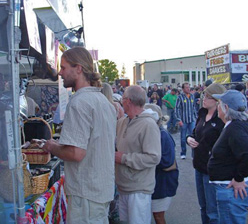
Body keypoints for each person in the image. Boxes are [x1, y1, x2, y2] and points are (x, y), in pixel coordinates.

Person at [42, 47, 116, 224]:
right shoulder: (104, 102)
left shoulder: (80, 102)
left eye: (64, 67)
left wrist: (52, 146)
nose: (60, 72)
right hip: (99, 190)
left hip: (86, 194)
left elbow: (76, 153)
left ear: (79, 69)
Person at [208, 90, 248, 224]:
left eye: (219, 104)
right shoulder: (242, 123)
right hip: (235, 187)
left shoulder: (235, 128)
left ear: (226, 108)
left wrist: (239, 177)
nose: (217, 106)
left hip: (233, 191)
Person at [115, 85, 161, 224]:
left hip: (138, 189)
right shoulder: (122, 121)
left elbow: (154, 157)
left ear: (128, 101)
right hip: (123, 186)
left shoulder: (148, 124)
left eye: (122, 99)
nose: (121, 102)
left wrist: (123, 158)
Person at [186, 83, 226, 224]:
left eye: (208, 97)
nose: (204, 99)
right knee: (203, 207)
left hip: (212, 171)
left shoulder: (221, 120)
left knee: (212, 211)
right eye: (204, 95)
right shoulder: (202, 114)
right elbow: (194, 133)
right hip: (199, 166)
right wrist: (189, 139)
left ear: (217, 100)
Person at [144, 103, 179, 224]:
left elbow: (167, 161)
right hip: (158, 182)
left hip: (163, 183)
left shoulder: (163, 135)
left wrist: (144, 159)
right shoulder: (156, 133)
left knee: (158, 216)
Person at [175, 82, 197, 159]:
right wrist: (179, 119)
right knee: (183, 138)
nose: (188, 89)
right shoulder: (180, 97)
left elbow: (194, 107)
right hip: (183, 120)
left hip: (191, 120)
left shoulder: (192, 96)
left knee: (193, 137)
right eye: (187, 87)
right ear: (183, 89)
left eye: (189, 87)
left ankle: (194, 154)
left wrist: (196, 117)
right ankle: (183, 152)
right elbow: (177, 109)